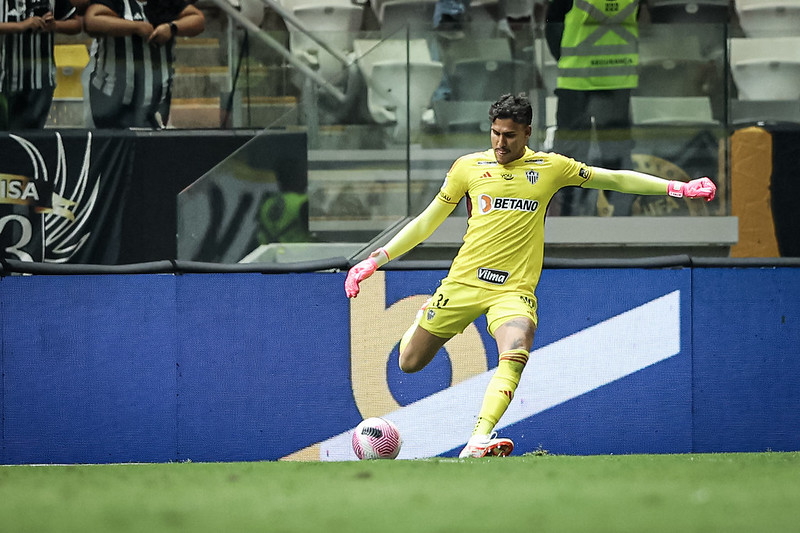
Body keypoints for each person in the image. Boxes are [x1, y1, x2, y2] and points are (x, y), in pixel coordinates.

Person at [344, 93, 715, 458]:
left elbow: (613, 179)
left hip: (513, 289)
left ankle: (478, 438)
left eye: (508, 135)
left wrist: (677, 188)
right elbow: (427, 222)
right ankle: (423, 316)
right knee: (409, 363)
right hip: (463, 283)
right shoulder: (467, 168)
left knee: (517, 347)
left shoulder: (551, 167)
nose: (500, 143)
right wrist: (375, 260)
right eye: (494, 133)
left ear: (527, 133)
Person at [545, 0, 640, 216]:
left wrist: (568, 58)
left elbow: (553, 24)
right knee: (615, 153)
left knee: (571, 154)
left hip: (576, 79)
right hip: (618, 78)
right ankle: (621, 215)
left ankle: (570, 213)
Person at [83, 0, 204, 129]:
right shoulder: (115, 3)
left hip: (156, 101)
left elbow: (198, 19)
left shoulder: (166, 4)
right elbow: (91, 21)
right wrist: (135, 27)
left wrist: (172, 28)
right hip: (112, 100)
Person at [0, 0, 82, 130]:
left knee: (29, 138)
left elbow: (77, 24)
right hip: (5, 80)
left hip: (40, 82)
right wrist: (21, 26)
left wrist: (55, 25)